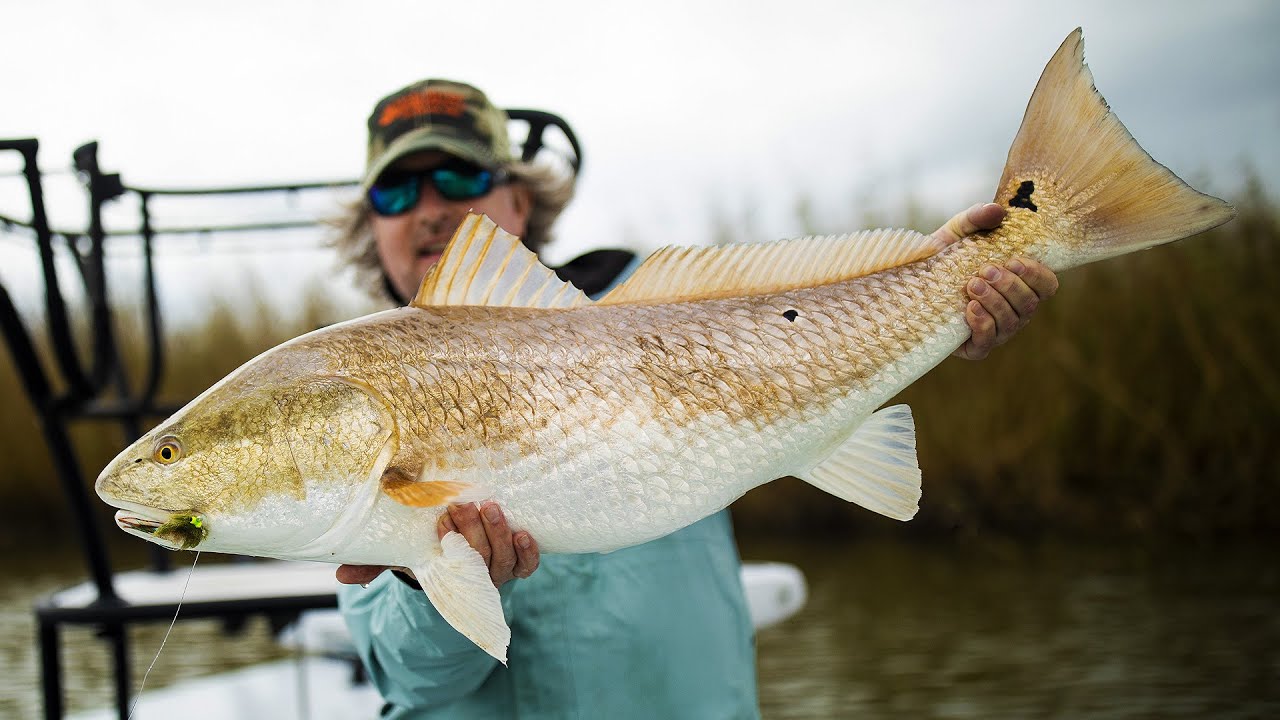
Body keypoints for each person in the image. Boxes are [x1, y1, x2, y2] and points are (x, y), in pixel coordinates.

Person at [331, 79, 1059, 718]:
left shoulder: (667, 303)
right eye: (396, 192)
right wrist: (427, 583)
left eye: (456, 178)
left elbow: (815, 321)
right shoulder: (339, 392)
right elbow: (406, 678)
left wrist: (939, 287)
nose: (428, 209)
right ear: (373, 225)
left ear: (516, 198)